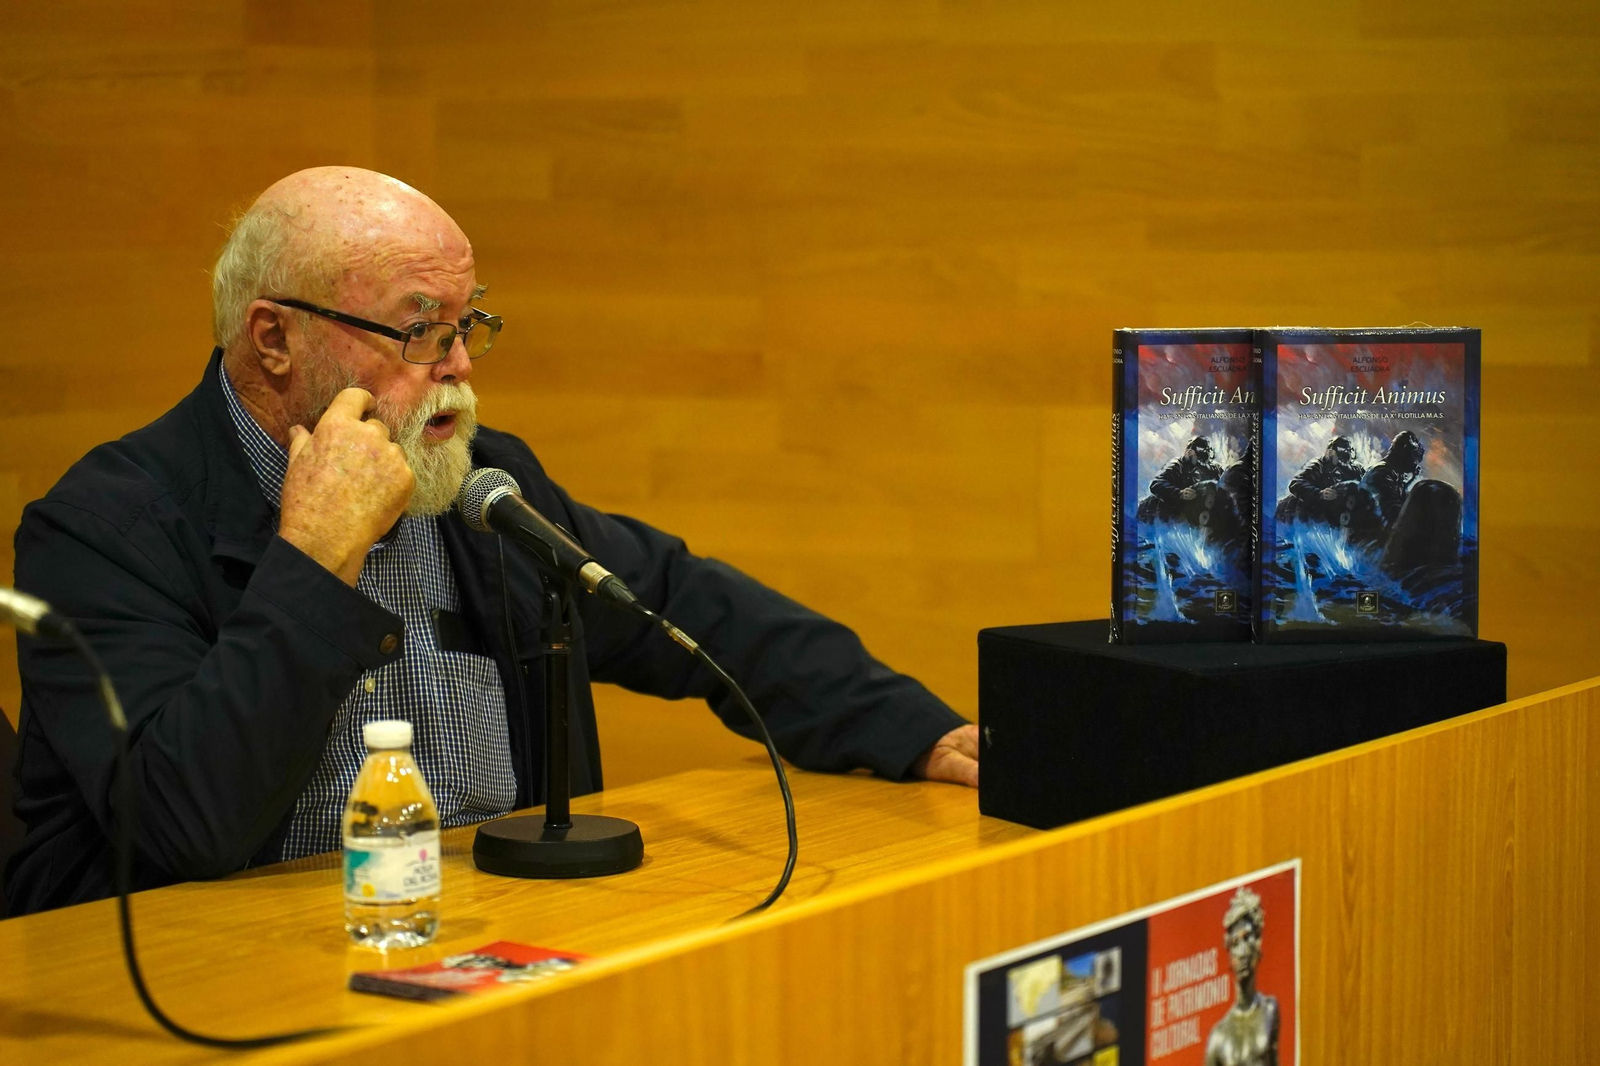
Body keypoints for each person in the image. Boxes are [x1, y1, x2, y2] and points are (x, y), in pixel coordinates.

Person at [5, 167, 977, 916]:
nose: (460, 365)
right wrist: (314, 558)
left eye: (469, 322)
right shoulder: (104, 529)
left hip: (480, 957)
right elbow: (186, 823)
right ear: (272, 340)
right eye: (419, 329)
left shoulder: (473, 481)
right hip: (220, 976)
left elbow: (677, 602)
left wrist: (915, 731)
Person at [1203, 886, 1279, 1066]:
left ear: (1258, 944)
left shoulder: (1270, 1010)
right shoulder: (1218, 1037)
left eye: (1248, 938)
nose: (1243, 951)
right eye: (1236, 943)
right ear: (1229, 952)